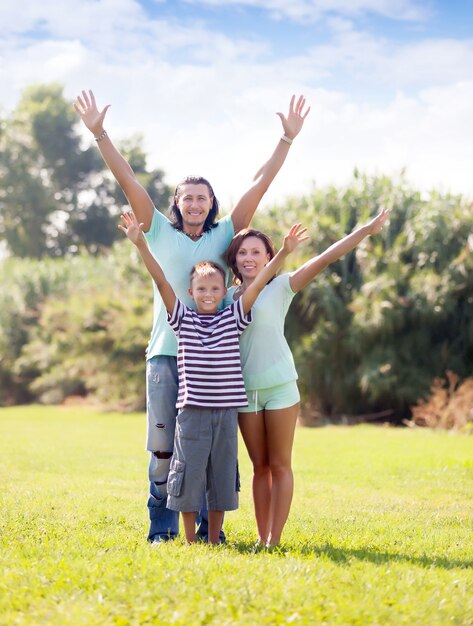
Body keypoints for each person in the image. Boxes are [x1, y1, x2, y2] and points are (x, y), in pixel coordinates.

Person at [73, 89, 310, 543]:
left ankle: (208, 530)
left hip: (215, 362)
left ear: (212, 203)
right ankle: (161, 528)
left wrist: (286, 139)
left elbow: (258, 185)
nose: (195, 204)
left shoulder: (225, 235)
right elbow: (130, 184)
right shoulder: (159, 229)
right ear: (177, 203)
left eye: (203, 198)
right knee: (165, 449)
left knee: (209, 450)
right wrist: (100, 133)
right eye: (188, 198)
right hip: (167, 354)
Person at [119, 210, 308, 543]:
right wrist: (141, 246)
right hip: (191, 413)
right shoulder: (182, 320)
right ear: (191, 293)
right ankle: (191, 540)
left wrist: (284, 253)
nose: (207, 294)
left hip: (225, 414)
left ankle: (214, 537)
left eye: (214, 288)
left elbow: (261, 282)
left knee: (220, 477)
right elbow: (162, 280)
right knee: (188, 474)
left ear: (225, 292)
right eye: (201, 289)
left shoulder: (234, 317)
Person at [225, 208, 390, 547]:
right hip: (243, 393)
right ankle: (260, 538)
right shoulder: (222, 297)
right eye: (243, 252)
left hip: (281, 387)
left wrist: (365, 230)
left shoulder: (282, 286)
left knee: (281, 464)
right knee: (260, 467)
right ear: (234, 259)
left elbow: (326, 258)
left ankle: (274, 539)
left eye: (257, 251)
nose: (249, 257)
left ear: (270, 256)